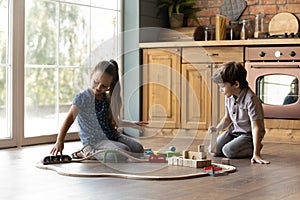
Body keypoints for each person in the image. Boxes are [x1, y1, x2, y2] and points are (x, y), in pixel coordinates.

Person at [50, 59, 148, 160]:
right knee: (122, 152)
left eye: (104, 86)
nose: (98, 87)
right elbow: (69, 119)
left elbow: (114, 122)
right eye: (96, 82)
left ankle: (113, 147)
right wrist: (59, 141)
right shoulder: (82, 98)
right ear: (91, 75)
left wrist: (133, 124)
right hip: (95, 141)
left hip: (112, 136)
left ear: (110, 86)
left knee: (138, 149)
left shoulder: (107, 98)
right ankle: (86, 152)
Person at [209, 61, 270, 164]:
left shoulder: (251, 99)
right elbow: (228, 118)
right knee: (213, 150)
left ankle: (255, 146)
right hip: (234, 131)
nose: (221, 90)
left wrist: (257, 153)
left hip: (248, 135)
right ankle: (236, 145)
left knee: (228, 151)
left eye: (222, 87)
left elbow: (256, 127)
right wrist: (217, 129)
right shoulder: (229, 96)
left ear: (236, 84)